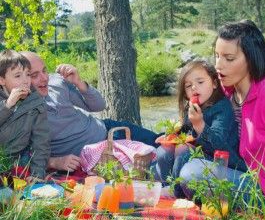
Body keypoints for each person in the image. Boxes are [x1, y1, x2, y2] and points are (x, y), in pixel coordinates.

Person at [182, 19, 265, 205]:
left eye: (229, 58)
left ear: (251, 59)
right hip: (241, 170)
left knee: (192, 173)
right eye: (217, 56)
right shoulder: (227, 90)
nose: (219, 66)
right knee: (185, 156)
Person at [21, 51, 159, 172]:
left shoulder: (56, 83)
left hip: (110, 129)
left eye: (44, 70)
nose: (44, 78)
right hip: (95, 156)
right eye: (34, 75)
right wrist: (55, 162)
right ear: (22, 78)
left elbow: (99, 106)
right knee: (155, 167)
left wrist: (79, 82)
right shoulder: (20, 112)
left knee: (162, 142)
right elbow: (20, 157)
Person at [154, 60, 247, 197]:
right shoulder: (192, 107)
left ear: (214, 83)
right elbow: (186, 130)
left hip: (224, 161)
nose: (194, 88)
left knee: (182, 149)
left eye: (200, 82)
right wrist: (170, 135)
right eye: (188, 85)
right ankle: (165, 184)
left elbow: (219, 143)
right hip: (199, 154)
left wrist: (199, 125)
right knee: (164, 150)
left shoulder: (222, 108)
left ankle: (176, 191)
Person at [0, 50, 50, 179]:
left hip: (16, 160)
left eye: (28, 75)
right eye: (17, 76)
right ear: (2, 80)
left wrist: (37, 174)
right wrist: (7, 106)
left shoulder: (36, 103)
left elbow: (41, 142)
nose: (25, 81)